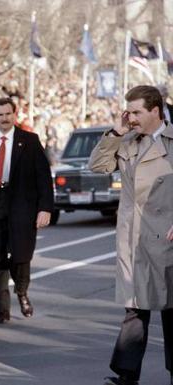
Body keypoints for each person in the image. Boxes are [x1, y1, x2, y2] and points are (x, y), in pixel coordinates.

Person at [89, 85, 173, 385]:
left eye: (137, 112)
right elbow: (97, 165)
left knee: (171, 309)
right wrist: (115, 132)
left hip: (167, 238)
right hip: (133, 237)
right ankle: (126, 375)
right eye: (129, 112)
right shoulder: (127, 142)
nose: (132, 118)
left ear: (156, 111)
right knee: (135, 308)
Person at [0, 97, 53, 324]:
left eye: (8, 114)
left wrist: (45, 208)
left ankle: (22, 292)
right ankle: (1, 308)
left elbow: (43, 178)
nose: (4, 118)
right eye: (0, 114)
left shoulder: (30, 140)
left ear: (14, 115)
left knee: (20, 255)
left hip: (21, 206)